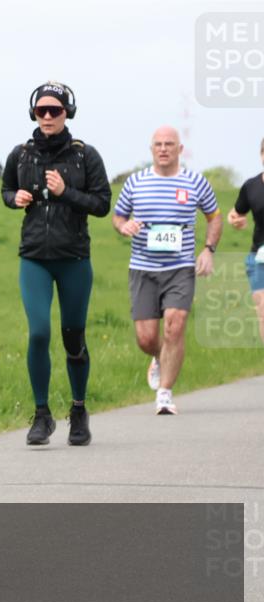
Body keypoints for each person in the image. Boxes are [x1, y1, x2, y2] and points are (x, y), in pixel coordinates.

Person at [1, 81, 111, 447]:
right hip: (34, 257)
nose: (47, 116)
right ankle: (42, 415)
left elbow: (102, 204)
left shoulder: (85, 156)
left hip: (74, 258)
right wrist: (13, 198)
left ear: (68, 113)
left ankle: (78, 410)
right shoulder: (20, 154)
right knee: (38, 333)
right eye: (41, 110)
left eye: (55, 110)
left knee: (72, 336)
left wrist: (67, 193)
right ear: (33, 113)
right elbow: (6, 190)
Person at [112, 126, 222, 415]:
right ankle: (160, 357)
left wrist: (208, 250)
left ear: (179, 149)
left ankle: (164, 394)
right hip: (143, 268)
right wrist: (124, 226)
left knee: (175, 325)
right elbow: (118, 215)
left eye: (169, 144)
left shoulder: (195, 182)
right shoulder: (136, 182)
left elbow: (214, 217)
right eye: (158, 144)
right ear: (151, 149)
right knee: (146, 338)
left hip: (179, 267)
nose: (163, 149)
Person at [227, 137, 264, 344]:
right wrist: (234, 220)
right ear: (261, 155)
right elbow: (235, 213)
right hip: (259, 257)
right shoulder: (251, 186)